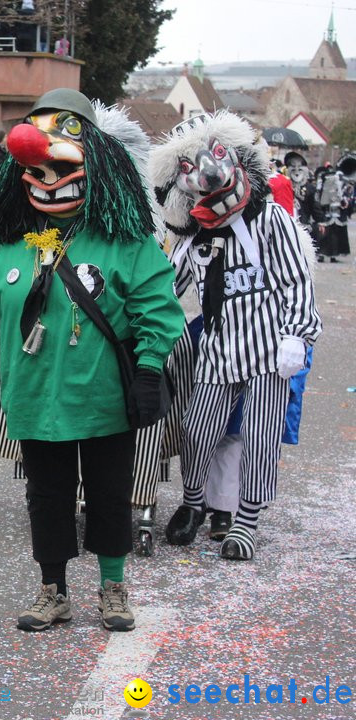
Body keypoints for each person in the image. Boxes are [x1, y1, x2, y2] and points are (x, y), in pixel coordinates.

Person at [0, 89, 184, 632]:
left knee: (109, 495)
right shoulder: (11, 244)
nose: (47, 179)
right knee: (47, 498)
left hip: (103, 396)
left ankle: (113, 588)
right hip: (33, 398)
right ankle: (52, 591)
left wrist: (150, 369)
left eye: (59, 166)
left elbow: (159, 311)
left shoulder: (125, 241)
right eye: (36, 170)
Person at [151, 111, 322, 560]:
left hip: (268, 347)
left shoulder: (272, 223)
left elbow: (296, 280)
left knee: (259, 434)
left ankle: (246, 520)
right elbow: (168, 287)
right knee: (197, 429)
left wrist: (298, 335)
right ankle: (194, 503)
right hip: (218, 350)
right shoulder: (196, 239)